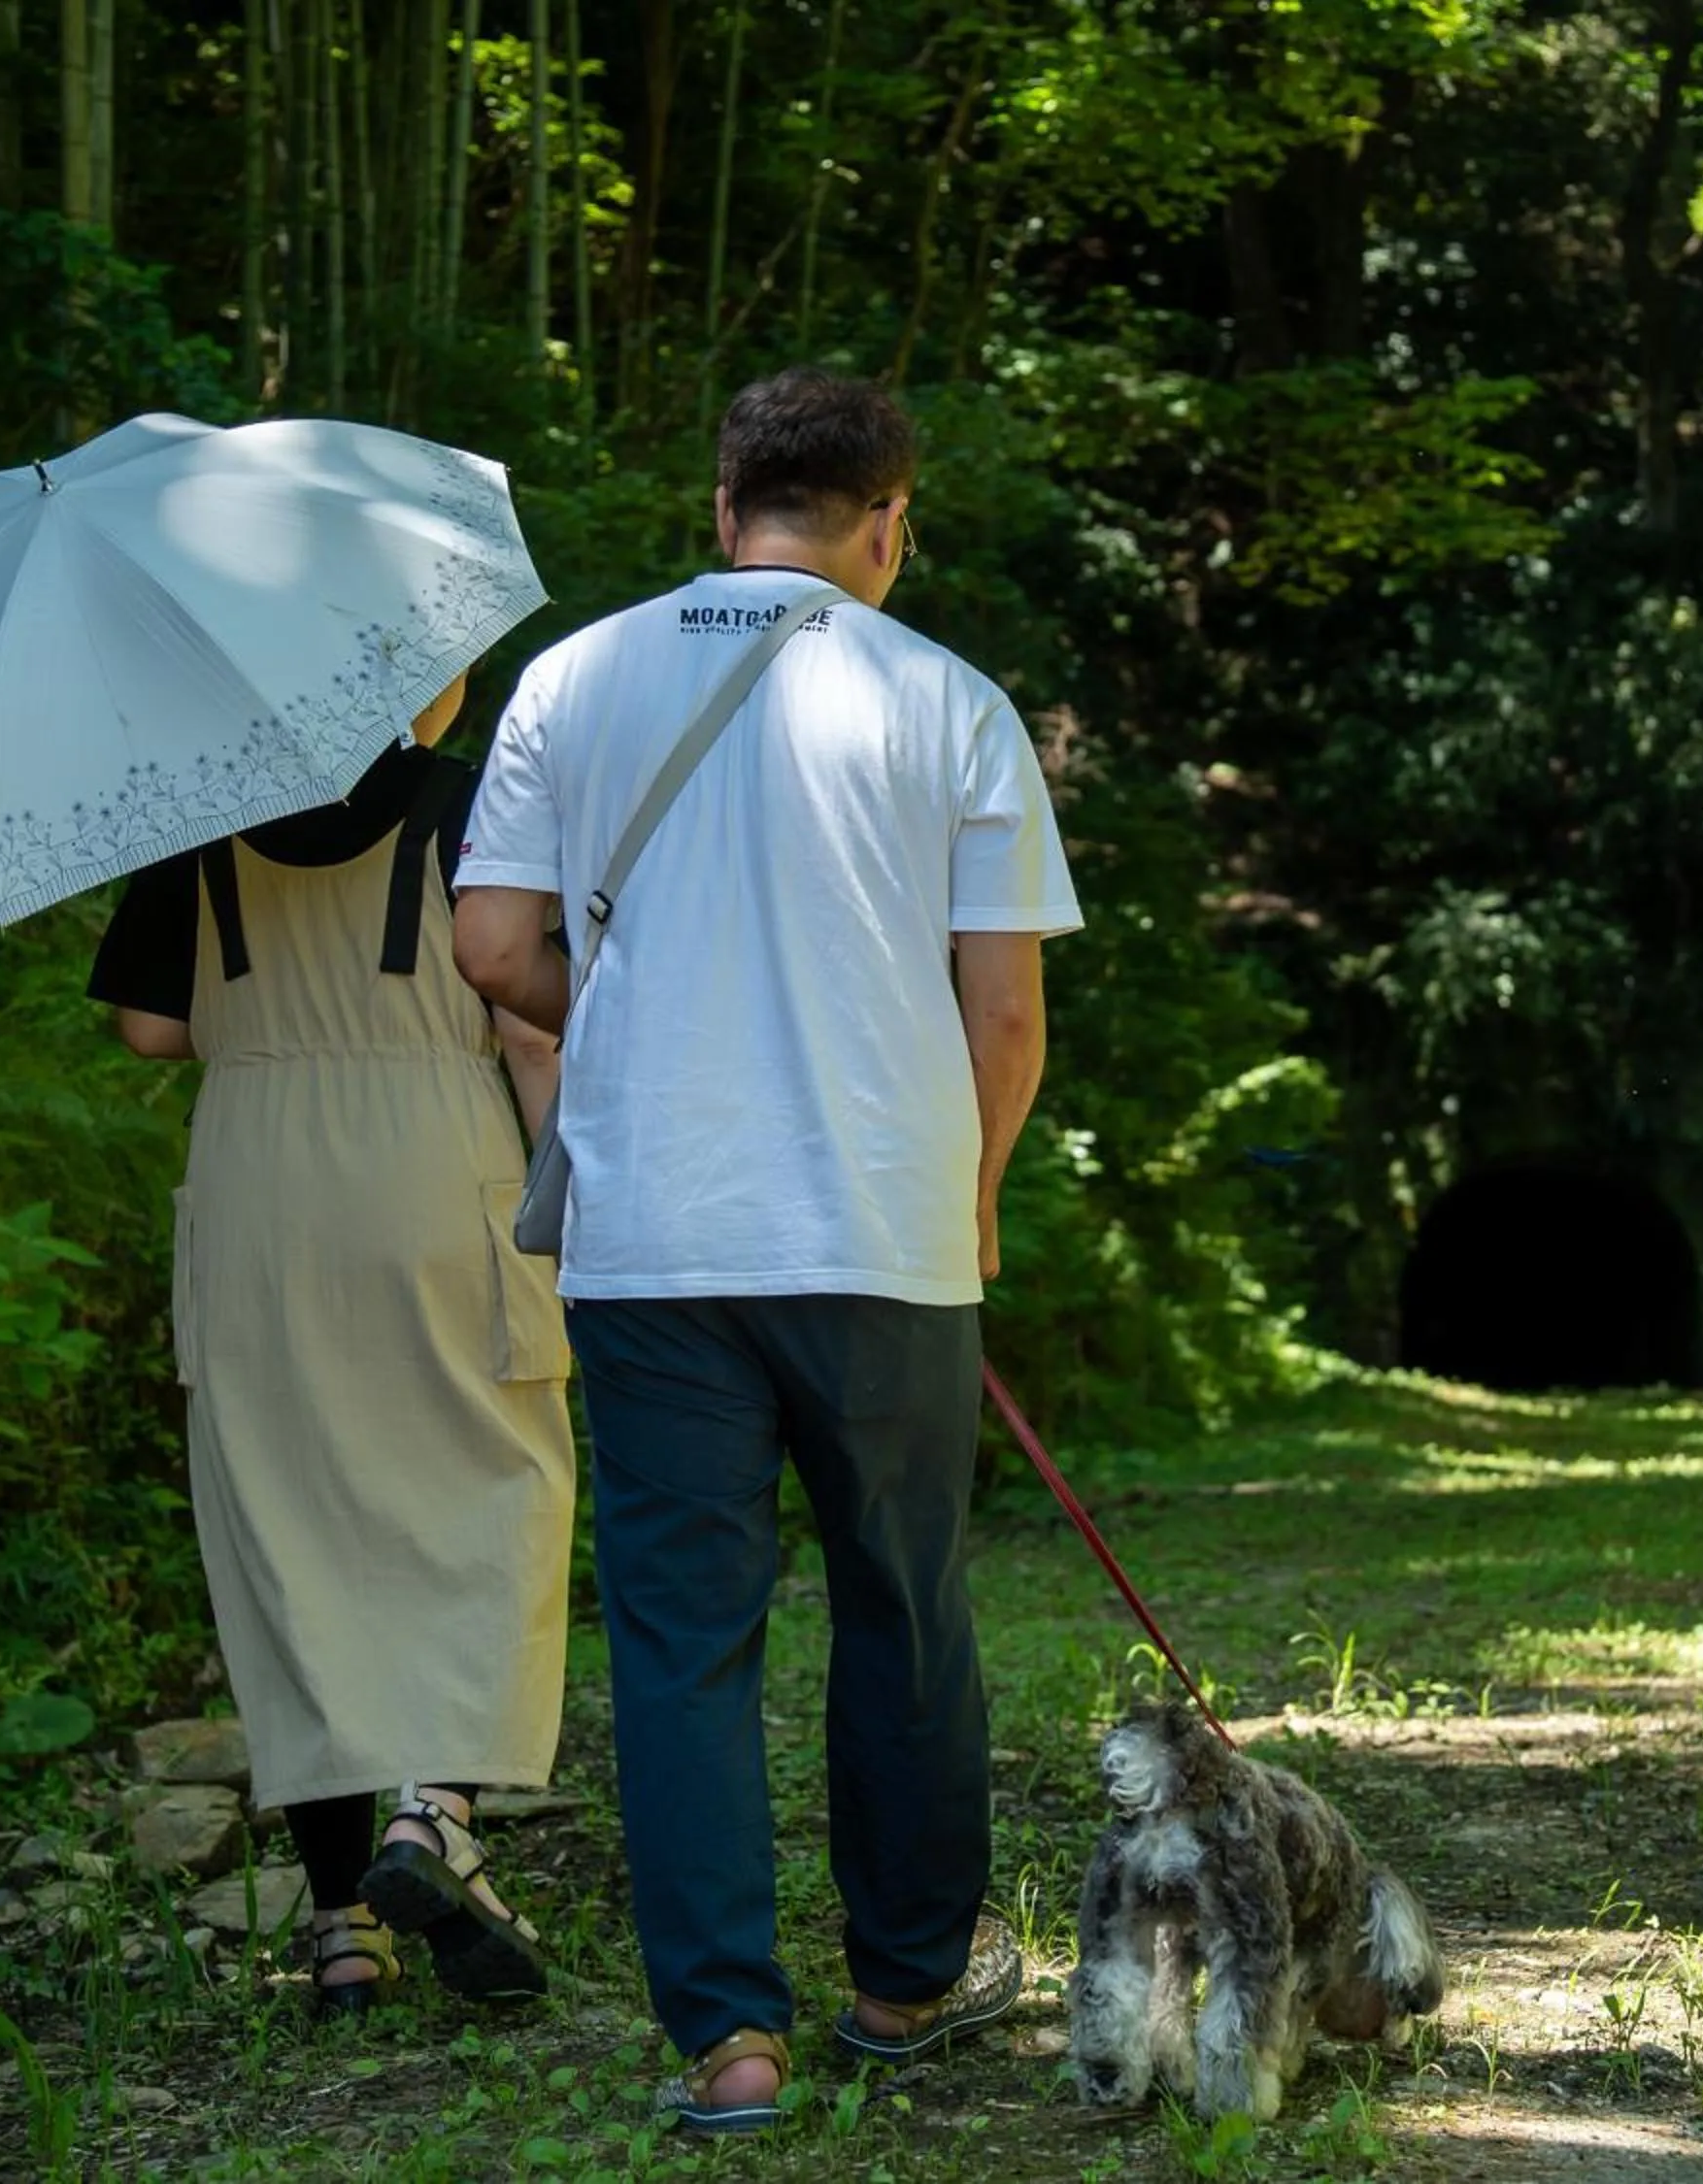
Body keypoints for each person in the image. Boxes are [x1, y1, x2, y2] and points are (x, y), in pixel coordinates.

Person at [449, 366, 1080, 2134]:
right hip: (880, 1228)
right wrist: (974, 1184)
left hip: (653, 1246)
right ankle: (902, 1982)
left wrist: (641, 1025)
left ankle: (727, 2036)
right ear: (890, 522)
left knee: (680, 1641)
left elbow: (496, 948)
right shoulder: (947, 698)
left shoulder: (570, 678)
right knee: (902, 1608)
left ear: (724, 511)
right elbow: (1006, 1012)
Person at [89, 670, 579, 2015]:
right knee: (495, 1486)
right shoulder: (468, 805)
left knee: (291, 1533)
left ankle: (341, 1921)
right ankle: (436, 1813)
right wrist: (578, 1199)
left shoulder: (200, 814)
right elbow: (526, 1022)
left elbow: (148, 1025)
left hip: (259, 1188)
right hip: (433, 1168)